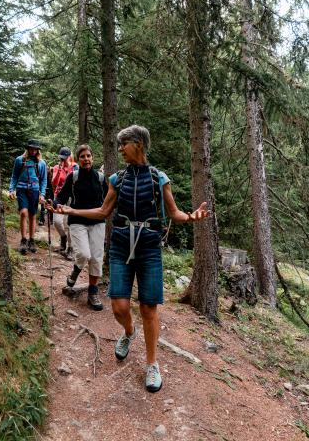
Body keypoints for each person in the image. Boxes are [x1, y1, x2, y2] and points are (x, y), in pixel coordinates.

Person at [53, 125, 210, 392]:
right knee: (119, 307)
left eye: (123, 144)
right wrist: (71, 209)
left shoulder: (159, 178)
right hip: (121, 245)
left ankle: (152, 365)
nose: (120, 149)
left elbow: (173, 213)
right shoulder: (117, 179)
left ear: (137, 143)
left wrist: (190, 217)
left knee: (149, 308)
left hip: (149, 247)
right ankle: (129, 332)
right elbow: (104, 211)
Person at [47, 144, 108, 310]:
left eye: (88, 156)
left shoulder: (100, 178)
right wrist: (53, 204)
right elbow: (61, 197)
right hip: (77, 221)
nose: (86, 159)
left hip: (97, 222)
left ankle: (92, 293)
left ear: (92, 158)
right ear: (78, 159)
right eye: (83, 156)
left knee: (96, 258)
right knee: (83, 254)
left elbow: (108, 199)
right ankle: (75, 270)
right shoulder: (73, 177)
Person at [9, 139, 48, 255]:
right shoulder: (19, 160)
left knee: (32, 215)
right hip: (22, 189)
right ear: (27, 148)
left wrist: (42, 194)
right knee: (23, 213)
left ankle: (31, 240)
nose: (33, 151)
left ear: (38, 150)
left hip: (35, 191)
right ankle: (23, 240)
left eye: (35, 149)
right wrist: (12, 189)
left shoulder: (41, 163)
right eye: (31, 148)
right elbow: (14, 176)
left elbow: (43, 180)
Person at [50, 147, 78, 257]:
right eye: (61, 158)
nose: (63, 160)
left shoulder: (76, 167)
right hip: (59, 196)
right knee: (56, 221)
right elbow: (54, 182)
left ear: (69, 157)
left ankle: (70, 248)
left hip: (72, 197)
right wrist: (60, 170)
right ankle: (63, 237)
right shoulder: (57, 167)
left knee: (69, 223)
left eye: (64, 158)